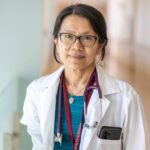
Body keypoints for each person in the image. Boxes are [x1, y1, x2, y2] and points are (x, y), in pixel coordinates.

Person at [20, 3, 148, 150]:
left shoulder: (126, 97)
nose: (76, 46)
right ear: (56, 41)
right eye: (68, 36)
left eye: (87, 38)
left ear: (100, 44)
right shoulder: (36, 92)